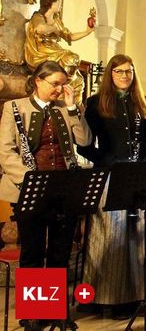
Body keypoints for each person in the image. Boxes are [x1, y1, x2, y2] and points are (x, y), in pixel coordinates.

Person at [0, 61, 91, 330]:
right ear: (37, 81)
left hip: (64, 188)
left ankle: (54, 309)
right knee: (33, 251)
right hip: (29, 188)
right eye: (55, 83)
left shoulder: (67, 109)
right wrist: (30, 179)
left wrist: (74, 106)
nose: (59, 89)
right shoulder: (14, 107)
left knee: (60, 252)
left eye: (63, 84)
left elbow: (84, 141)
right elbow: (5, 152)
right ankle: (33, 311)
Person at [77, 54, 146, 318]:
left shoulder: (143, 102)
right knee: (108, 237)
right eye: (119, 71)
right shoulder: (96, 103)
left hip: (137, 175)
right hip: (110, 176)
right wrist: (107, 162)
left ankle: (134, 296)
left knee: (137, 236)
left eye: (129, 71)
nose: (125, 75)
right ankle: (103, 296)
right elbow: (84, 145)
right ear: (110, 74)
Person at [24, 0, 94, 105]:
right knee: (71, 58)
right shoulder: (38, 16)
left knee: (78, 79)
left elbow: (69, 36)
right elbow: (40, 29)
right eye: (58, 3)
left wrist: (87, 31)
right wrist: (54, 29)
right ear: (50, 3)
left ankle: (71, 104)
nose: (60, 5)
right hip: (41, 51)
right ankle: (60, 94)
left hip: (54, 49)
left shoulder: (56, 19)